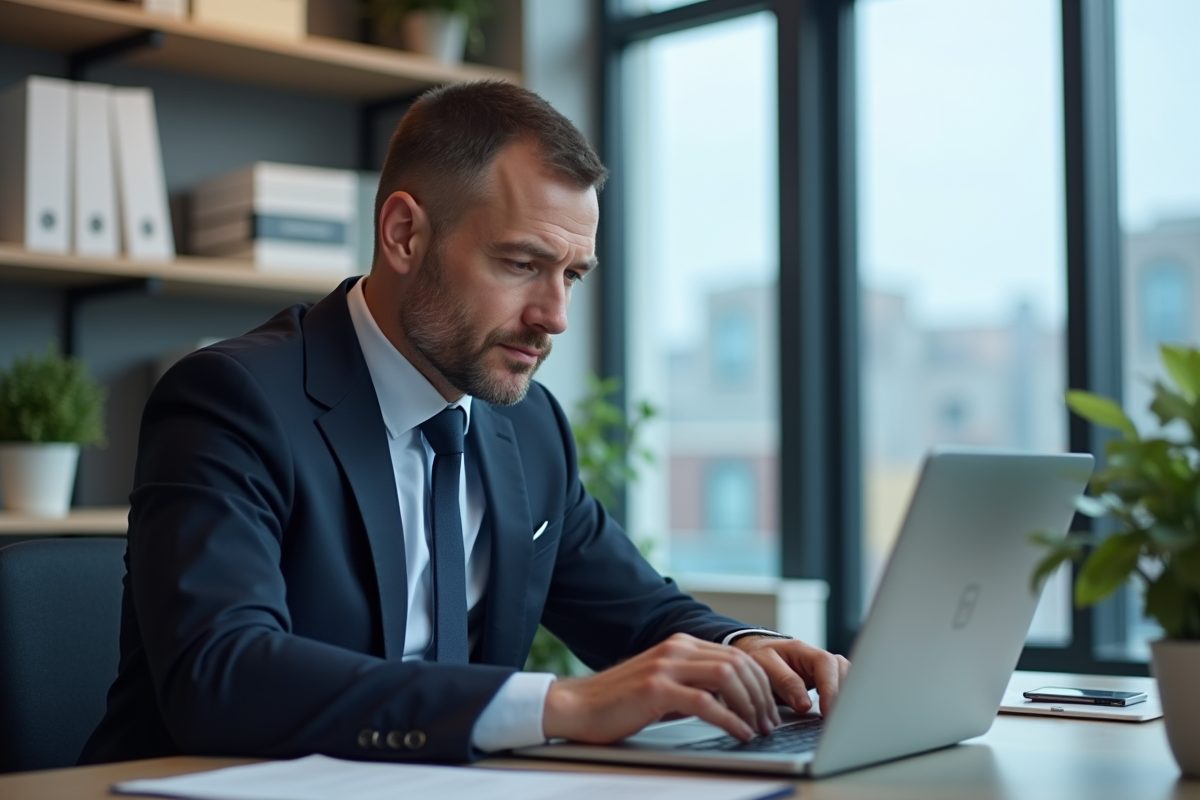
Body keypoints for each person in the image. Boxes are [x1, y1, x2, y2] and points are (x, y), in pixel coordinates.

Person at [79, 81, 849, 766]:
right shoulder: (231, 400)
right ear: (405, 235)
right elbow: (223, 674)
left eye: (572, 275)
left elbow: (641, 611)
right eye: (521, 264)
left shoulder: (529, 427)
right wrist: (562, 705)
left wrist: (754, 651)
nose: (555, 317)